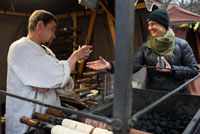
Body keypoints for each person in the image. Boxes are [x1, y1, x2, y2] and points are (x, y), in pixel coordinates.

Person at [6, 9, 92, 134]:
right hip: (27, 122)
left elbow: (58, 78)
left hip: (48, 118)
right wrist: (74, 57)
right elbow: (55, 77)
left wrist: (49, 82)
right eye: (52, 29)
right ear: (40, 25)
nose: (54, 35)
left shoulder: (46, 50)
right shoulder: (19, 47)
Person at [87, 8, 199, 93]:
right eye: (149, 25)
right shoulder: (146, 47)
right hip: (153, 95)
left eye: (153, 24)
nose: (150, 28)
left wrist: (172, 70)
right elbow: (133, 65)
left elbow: (193, 71)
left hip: (177, 95)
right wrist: (111, 66)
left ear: (163, 25)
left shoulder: (182, 45)